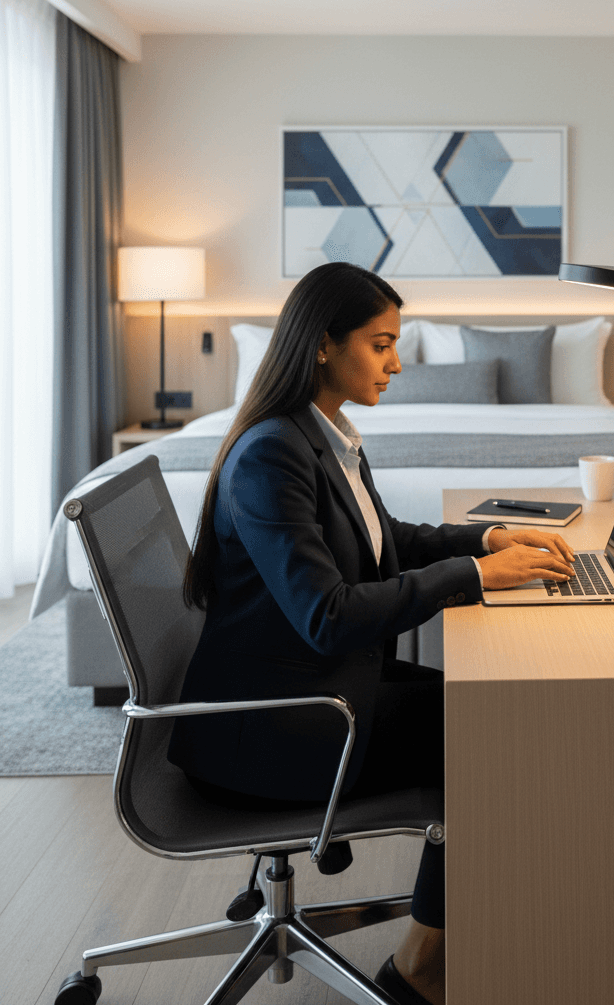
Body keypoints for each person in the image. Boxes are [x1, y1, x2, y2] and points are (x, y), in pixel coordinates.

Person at [169, 261, 575, 1005]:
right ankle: (421, 968)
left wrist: (486, 540)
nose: (396, 363)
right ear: (324, 344)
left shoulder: (324, 435)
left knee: (489, 708)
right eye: (381, 344)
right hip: (271, 724)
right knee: (493, 734)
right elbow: (327, 616)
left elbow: (386, 542)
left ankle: (467, 928)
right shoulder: (271, 453)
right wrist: (475, 577)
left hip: (309, 687)